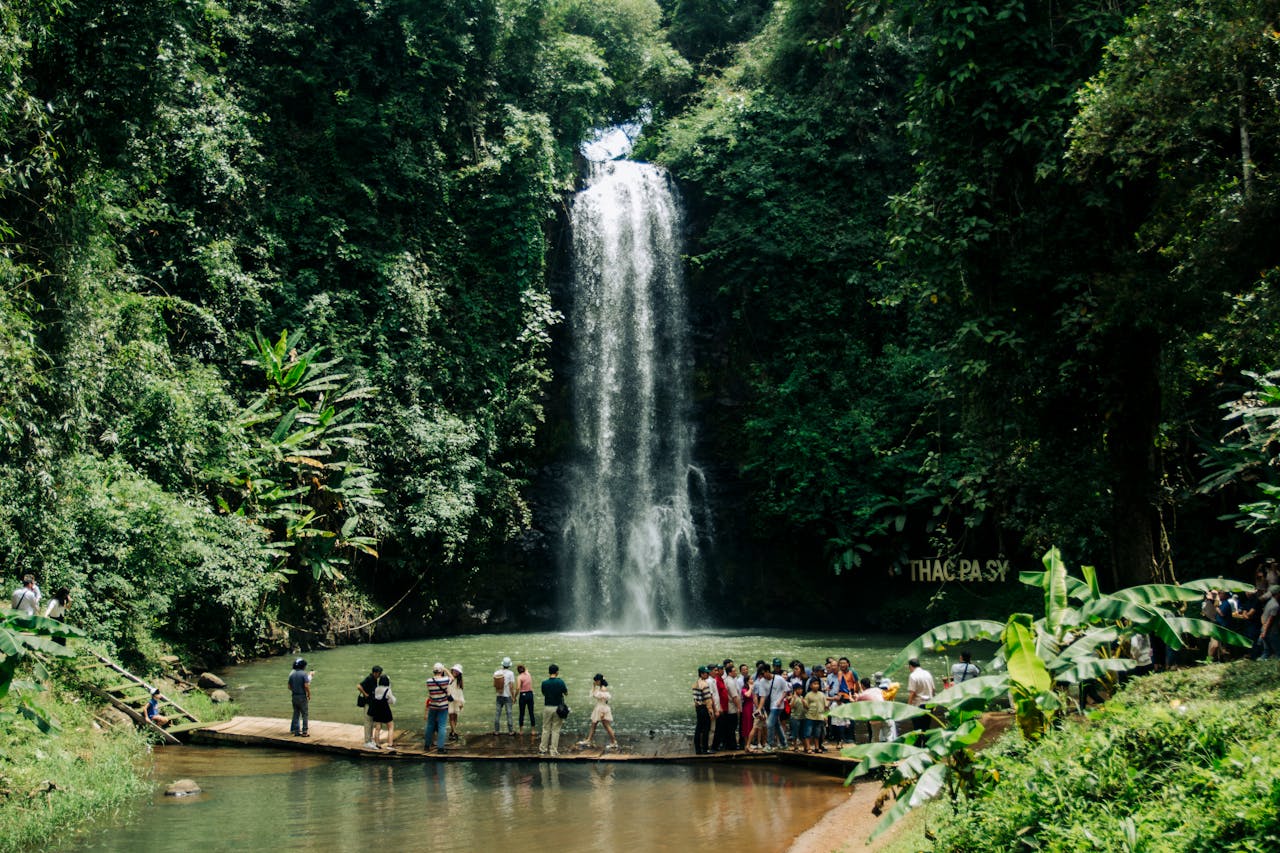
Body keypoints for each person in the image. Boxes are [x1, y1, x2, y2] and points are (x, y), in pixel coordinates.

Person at [579, 673, 619, 750]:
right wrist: (594, 686)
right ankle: (589, 740)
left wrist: (602, 712)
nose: (595, 682)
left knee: (606, 726)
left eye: (596, 681)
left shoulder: (603, 688)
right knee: (593, 725)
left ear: (599, 681)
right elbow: (594, 695)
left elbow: (604, 699)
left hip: (601, 708)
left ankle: (614, 742)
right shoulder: (600, 687)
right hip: (599, 707)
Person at [539, 664, 569, 757]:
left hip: (547, 707)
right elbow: (566, 693)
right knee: (556, 729)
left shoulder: (544, 683)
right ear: (557, 672)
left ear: (549, 672)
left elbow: (544, 693)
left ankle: (543, 749)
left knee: (545, 728)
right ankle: (553, 751)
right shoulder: (560, 682)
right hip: (558, 708)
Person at [424, 662, 452, 753]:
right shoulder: (445, 680)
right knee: (442, 726)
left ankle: (427, 745)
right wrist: (446, 669)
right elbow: (452, 678)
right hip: (443, 706)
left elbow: (430, 694)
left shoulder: (428, 681)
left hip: (433, 706)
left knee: (430, 725)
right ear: (441, 671)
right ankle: (440, 748)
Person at [358, 664, 384, 748]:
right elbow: (358, 686)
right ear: (375, 673)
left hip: (372, 703)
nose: (380, 675)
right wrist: (365, 694)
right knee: (368, 722)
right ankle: (367, 742)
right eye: (379, 673)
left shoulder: (374, 679)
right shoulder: (369, 679)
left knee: (371, 722)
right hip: (367, 703)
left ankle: (370, 740)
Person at [906, 658, 936, 731]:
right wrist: (934, 703)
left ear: (910, 666)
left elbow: (912, 693)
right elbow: (933, 689)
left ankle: (919, 742)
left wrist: (908, 706)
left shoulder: (913, 675)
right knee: (926, 728)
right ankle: (925, 742)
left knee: (918, 729)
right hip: (929, 704)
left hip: (919, 705)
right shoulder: (927, 673)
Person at [369, 674, 397, 749]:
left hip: (377, 710)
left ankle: (377, 744)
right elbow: (393, 701)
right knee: (390, 726)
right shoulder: (388, 690)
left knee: (377, 728)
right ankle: (390, 744)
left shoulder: (376, 689)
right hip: (385, 709)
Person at [802, 678, 828, 753]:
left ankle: (817, 747)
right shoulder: (808, 695)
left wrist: (825, 716)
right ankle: (808, 747)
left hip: (819, 716)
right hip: (810, 716)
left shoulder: (822, 694)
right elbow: (806, 707)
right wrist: (804, 703)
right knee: (808, 733)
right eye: (814, 684)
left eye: (817, 684)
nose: (816, 685)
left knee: (817, 733)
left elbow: (825, 706)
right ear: (810, 685)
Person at [692, 665, 714, 755]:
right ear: (701, 674)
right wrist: (710, 710)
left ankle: (698, 749)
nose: (708, 674)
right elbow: (708, 699)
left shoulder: (696, 683)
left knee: (698, 728)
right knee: (706, 729)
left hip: (698, 707)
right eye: (706, 673)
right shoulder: (705, 684)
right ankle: (705, 749)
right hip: (704, 708)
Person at [288, 658, 312, 737]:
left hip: (294, 696)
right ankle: (304, 731)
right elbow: (306, 685)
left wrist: (295, 689)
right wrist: (309, 694)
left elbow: (289, 686)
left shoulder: (292, 674)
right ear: (303, 666)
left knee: (296, 713)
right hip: (302, 696)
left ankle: (296, 731)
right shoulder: (304, 674)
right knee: (305, 714)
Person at [493, 656, 515, 734]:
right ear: (509, 665)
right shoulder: (511, 673)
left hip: (499, 695)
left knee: (497, 713)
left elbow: (494, 684)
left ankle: (496, 731)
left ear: (503, 664)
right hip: (507, 696)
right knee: (509, 713)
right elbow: (511, 687)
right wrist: (513, 697)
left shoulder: (496, 673)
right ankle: (511, 731)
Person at [516, 664, 537, 735]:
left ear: (518, 671)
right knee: (531, 712)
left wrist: (515, 696)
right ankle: (533, 730)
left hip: (523, 695)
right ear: (524, 669)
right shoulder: (528, 674)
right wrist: (525, 670)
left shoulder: (519, 677)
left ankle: (521, 731)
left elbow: (518, 688)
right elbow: (526, 669)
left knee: (522, 713)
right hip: (530, 694)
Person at [448, 664, 465, 741]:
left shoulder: (459, 681)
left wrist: (461, 703)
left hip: (457, 700)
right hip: (450, 700)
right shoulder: (449, 679)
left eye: (457, 671)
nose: (456, 672)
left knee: (455, 717)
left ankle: (452, 732)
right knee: (451, 717)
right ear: (452, 670)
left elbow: (460, 692)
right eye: (455, 670)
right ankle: (454, 732)